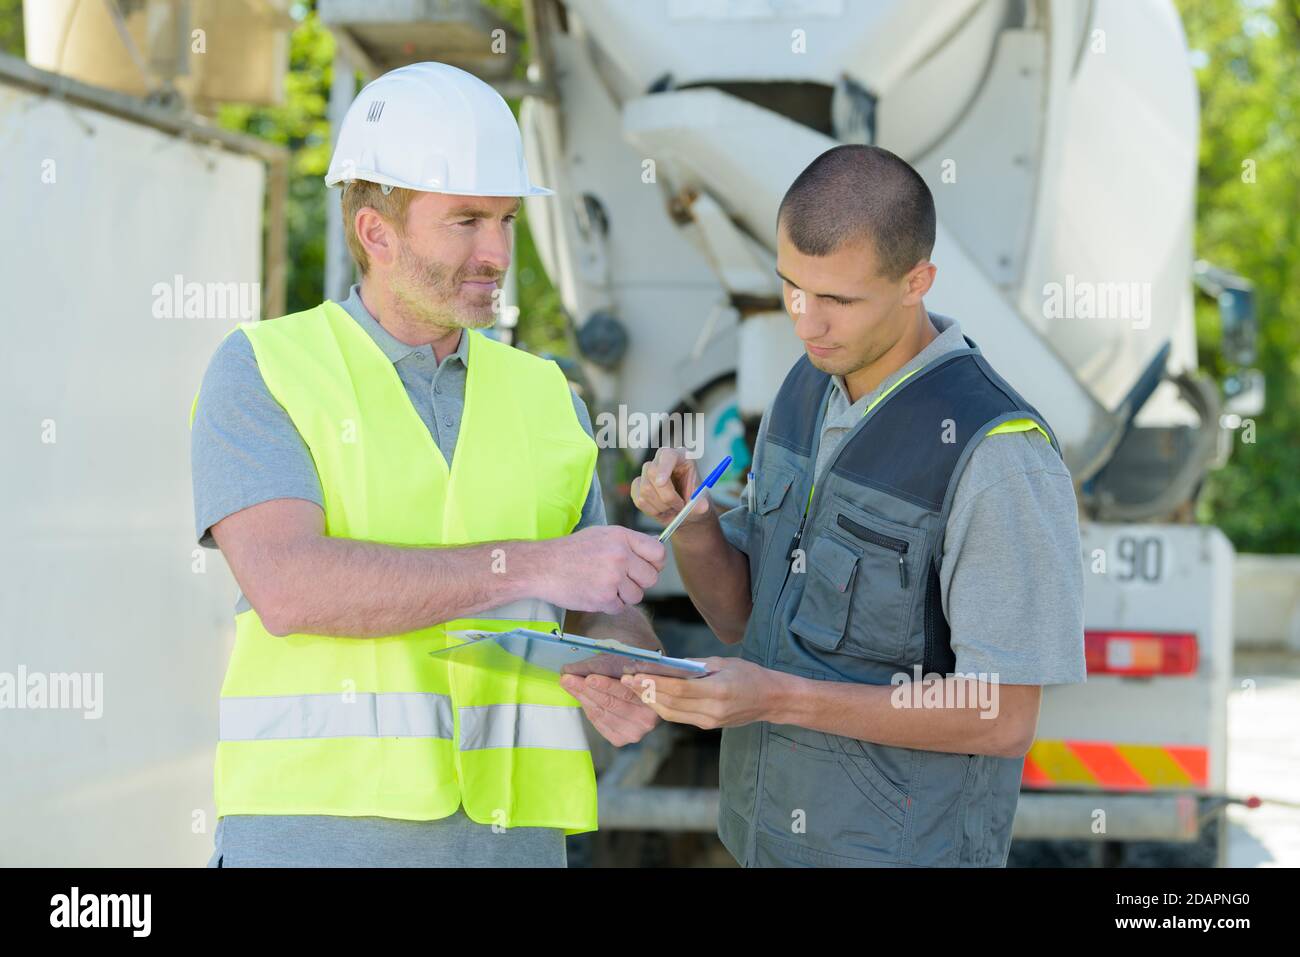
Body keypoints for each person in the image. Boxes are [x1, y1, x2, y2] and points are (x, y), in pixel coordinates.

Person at [190, 62, 663, 868]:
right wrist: (537, 565)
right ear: (377, 231)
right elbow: (289, 586)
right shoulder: (265, 369)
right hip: (318, 844)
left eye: (508, 220)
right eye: (467, 221)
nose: (497, 253)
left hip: (516, 845)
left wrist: (624, 657)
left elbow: (595, 599)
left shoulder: (549, 394)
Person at [630, 144, 1086, 867]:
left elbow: (1002, 716)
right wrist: (692, 523)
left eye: (839, 299)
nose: (807, 322)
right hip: (765, 845)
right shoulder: (805, 386)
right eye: (792, 288)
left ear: (917, 281)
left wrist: (778, 697)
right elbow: (743, 617)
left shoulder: (997, 452)